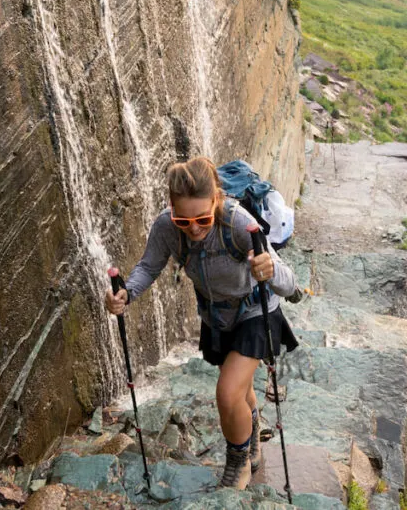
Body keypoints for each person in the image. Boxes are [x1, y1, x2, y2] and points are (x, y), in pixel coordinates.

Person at [105, 157, 299, 490]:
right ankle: (252, 445)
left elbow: (285, 278)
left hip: (255, 312)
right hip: (216, 318)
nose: (193, 228)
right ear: (171, 207)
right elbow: (148, 267)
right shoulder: (166, 227)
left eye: (203, 218)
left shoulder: (239, 224)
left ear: (217, 201)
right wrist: (126, 293)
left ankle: (238, 464)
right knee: (240, 390)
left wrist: (268, 269)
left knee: (227, 392)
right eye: (184, 220)